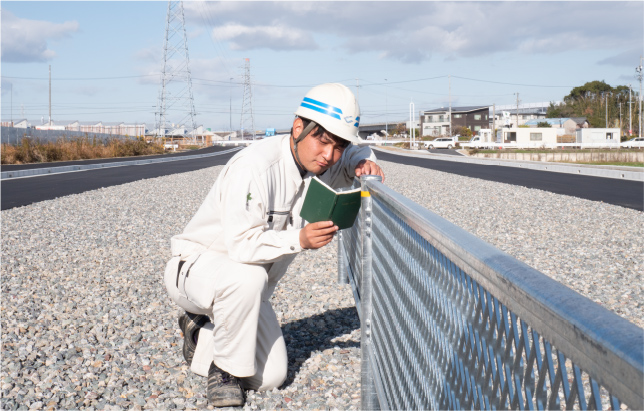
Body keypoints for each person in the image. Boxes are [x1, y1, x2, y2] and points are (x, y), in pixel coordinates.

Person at [163, 83, 385, 407]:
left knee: (271, 376)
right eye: (322, 140)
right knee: (248, 277)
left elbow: (354, 153)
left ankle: (199, 330)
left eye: (338, 146)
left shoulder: (318, 165)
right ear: (298, 127)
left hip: (245, 289)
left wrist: (364, 160)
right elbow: (240, 248)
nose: (329, 155)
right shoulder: (256, 166)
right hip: (195, 270)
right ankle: (224, 373)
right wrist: (300, 239)